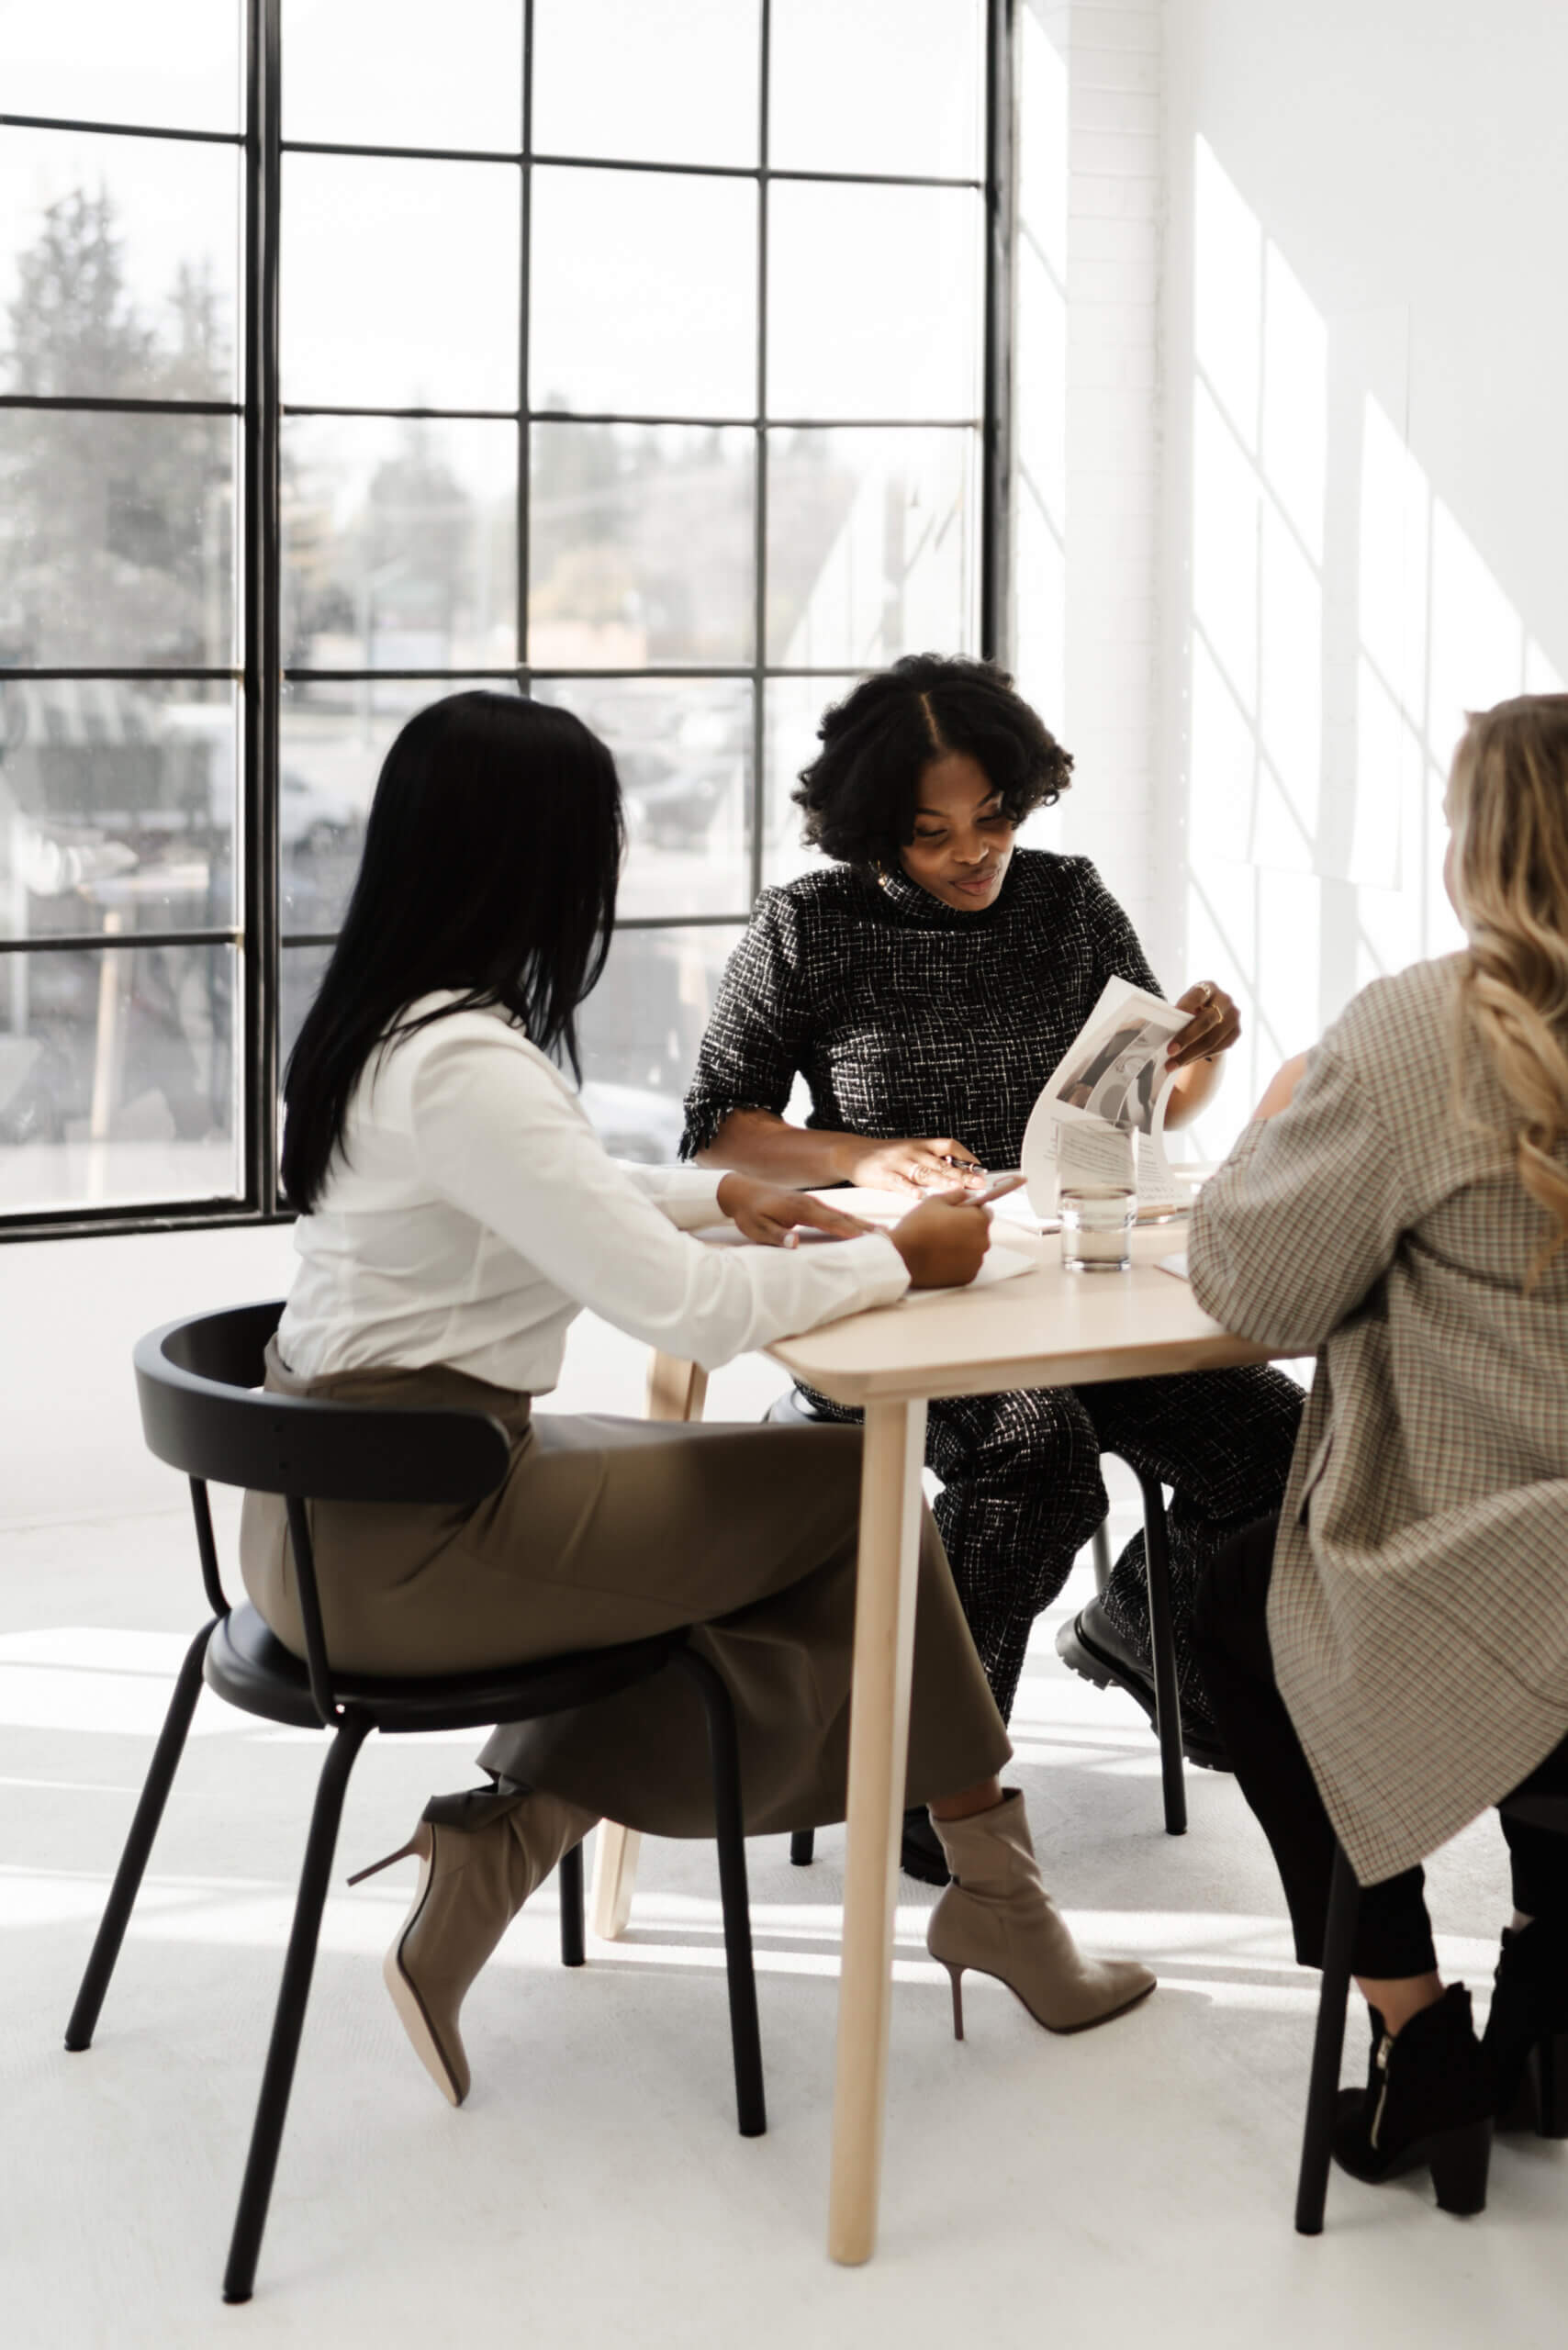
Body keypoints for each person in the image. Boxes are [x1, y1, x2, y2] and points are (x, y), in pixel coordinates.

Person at [240, 689, 1155, 2112]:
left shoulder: (400, 1031)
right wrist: (894, 1262)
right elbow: (684, 1310)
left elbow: (583, 1190)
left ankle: (515, 1835)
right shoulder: (469, 1063)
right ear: (532, 860)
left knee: (794, 1524)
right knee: (856, 1501)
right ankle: (1000, 1901)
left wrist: (735, 1189)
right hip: (410, 1541)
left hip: (354, 1506)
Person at [681, 654, 1303, 1877]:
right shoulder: (808, 928)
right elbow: (718, 1128)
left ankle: (1138, 1624)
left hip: (1070, 1292)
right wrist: (871, 1159)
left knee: (1292, 1450)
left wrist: (1200, 1058)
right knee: (1038, 1448)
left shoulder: (1068, 904)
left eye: (997, 819)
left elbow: (1140, 1104)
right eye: (934, 835)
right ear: (875, 833)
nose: (976, 854)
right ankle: (933, 1778)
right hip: (901, 1305)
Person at [1187, 692, 1568, 2216]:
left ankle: (1418, 2037)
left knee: (1233, 1607)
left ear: (1483, 847)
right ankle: (1552, 1980)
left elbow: (1256, 1291)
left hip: (1484, 1554)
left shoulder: (1428, 1030)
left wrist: (1268, 1128)